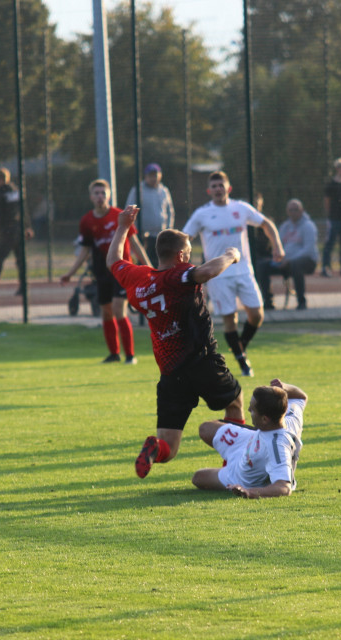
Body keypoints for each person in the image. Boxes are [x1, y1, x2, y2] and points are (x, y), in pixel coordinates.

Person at [107, 206, 246, 479]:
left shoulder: (138, 279)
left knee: (168, 448)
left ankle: (153, 449)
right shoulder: (175, 276)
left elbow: (113, 259)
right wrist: (231, 255)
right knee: (235, 402)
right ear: (181, 255)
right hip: (201, 360)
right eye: (189, 255)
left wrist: (123, 226)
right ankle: (232, 466)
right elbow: (205, 273)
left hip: (171, 374)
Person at [183, 171, 284, 377]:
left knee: (257, 314)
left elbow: (266, 223)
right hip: (219, 275)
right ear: (209, 191)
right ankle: (242, 361)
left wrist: (278, 247)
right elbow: (185, 238)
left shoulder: (241, 208)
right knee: (230, 319)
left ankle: (240, 346)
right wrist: (182, 261)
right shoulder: (202, 214)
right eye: (214, 186)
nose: (218, 189)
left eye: (222, 185)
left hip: (244, 270)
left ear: (228, 188)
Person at [61, 179, 150, 364]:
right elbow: (85, 251)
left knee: (119, 310)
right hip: (101, 272)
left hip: (122, 271)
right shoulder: (86, 221)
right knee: (106, 313)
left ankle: (130, 356)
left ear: (109, 195)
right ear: (91, 196)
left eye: (103, 192)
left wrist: (148, 267)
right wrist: (70, 273)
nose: (100, 196)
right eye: (96, 193)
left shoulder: (119, 215)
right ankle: (114, 354)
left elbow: (135, 243)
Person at [192, 378, 307, 498]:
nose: (248, 410)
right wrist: (285, 387)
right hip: (249, 440)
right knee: (205, 428)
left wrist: (249, 492)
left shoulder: (277, 446)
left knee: (198, 478)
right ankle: (253, 434)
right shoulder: (291, 418)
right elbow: (300, 397)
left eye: (252, 409)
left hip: (238, 475)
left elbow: (284, 488)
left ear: (264, 419)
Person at [260, 199, 318, 311]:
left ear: (302, 211)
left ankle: (301, 302)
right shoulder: (285, 227)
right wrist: (279, 258)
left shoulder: (308, 226)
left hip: (307, 261)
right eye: (290, 210)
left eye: (296, 210)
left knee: (296, 265)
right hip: (284, 262)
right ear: (287, 211)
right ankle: (268, 302)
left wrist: (289, 260)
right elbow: (278, 244)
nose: (293, 212)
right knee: (262, 266)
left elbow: (308, 249)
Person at [0, 168, 33, 297]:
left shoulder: (0, 193)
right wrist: (27, 226)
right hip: (19, 229)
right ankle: (23, 287)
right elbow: (23, 210)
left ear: (0, 179)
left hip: (7, 232)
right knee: (20, 261)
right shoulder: (16, 191)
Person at [125, 163, 174, 268]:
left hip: (160, 234)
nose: (154, 178)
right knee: (144, 264)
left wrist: (169, 229)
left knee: (159, 262)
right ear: (146, 176)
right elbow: (129, 209)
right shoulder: (138, 189)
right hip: (143, 235)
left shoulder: (164, 190)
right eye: (151, 175)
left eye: (156, 175)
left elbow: (170, 211)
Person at [321, 158, 341, 277]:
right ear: (338, 169)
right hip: (334, 218)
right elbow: (327, 202)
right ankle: (325, 267)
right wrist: (329, 216)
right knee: (330, 242)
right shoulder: (331, 185)